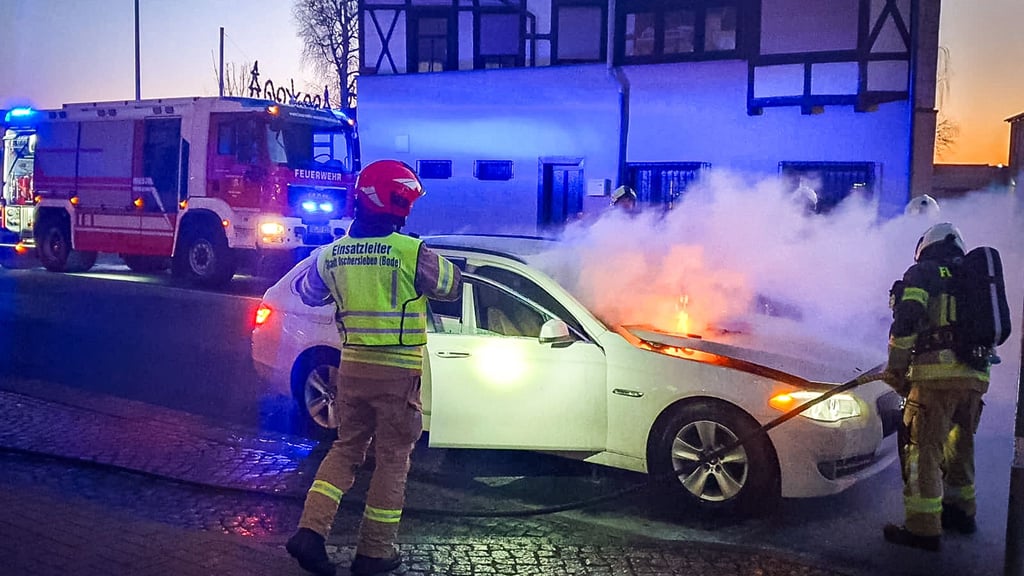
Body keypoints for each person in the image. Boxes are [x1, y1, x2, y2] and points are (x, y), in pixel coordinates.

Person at [285, 159, 463, 576]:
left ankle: (310, 533)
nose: (409, 211)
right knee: (392, 460)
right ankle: (374, 553)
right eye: (407, 203)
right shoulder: (411, 251)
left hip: (351, 371)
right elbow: (451, 287)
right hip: (398, 375)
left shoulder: (333, 253)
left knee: (345, 450)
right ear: (395, 203)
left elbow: (307, 292)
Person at [882, 222, 989, 552]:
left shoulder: (924, 272)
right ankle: (961, 512)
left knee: (921, 451)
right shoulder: (973, 279)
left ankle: (923, 529)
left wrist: (896, 370)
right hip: (975, 379)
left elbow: (907, 321)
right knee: (960, 445)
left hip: (934, 380)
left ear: (924, 247)